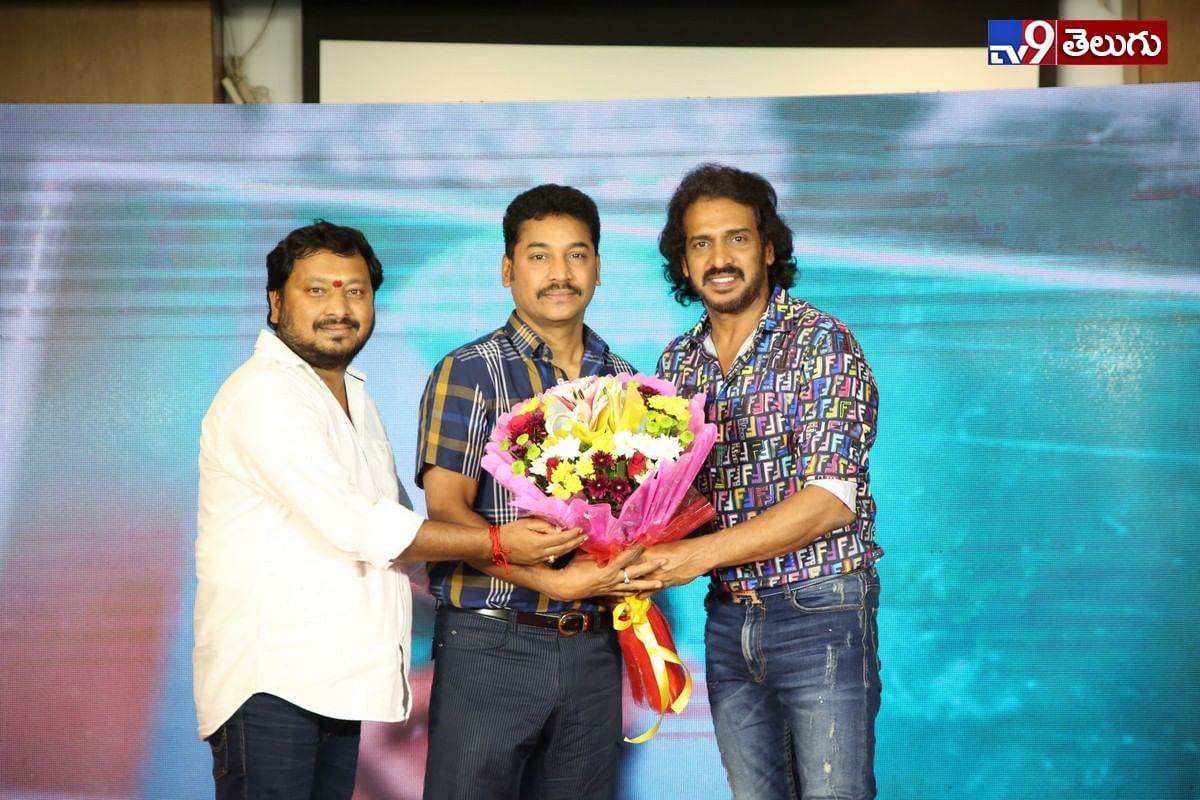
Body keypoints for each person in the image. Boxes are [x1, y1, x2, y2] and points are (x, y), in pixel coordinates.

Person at [194, 220, 581, 800]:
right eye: (316, 290)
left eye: (355, 291)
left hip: (335, 682)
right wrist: (501, 543)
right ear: (275, 303)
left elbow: (407, 535)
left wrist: (561, 572)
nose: (339, 308)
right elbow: (366, 528)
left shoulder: (354, 397)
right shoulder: (264, 394)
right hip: (273, 684)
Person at [415, 185, 660, 800]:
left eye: (577, 255)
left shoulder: (626, 382)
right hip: (492, 642)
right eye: (539, 255)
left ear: (598, 268)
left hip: (594, 644)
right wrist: (550, 578)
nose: (560, 273)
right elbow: (446, 511)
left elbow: (639, 516)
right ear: (508, 270)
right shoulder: (470, 370)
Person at [647, 164, 883, 800]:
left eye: (737, 238)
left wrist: (692, 557)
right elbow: (676, 500)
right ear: (684, 261)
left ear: (770, 248)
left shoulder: (821, 343)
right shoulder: (677, 363)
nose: (719, 258)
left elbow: (830, 501)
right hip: (728, 619)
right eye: (701, 243)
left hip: (819, 608)